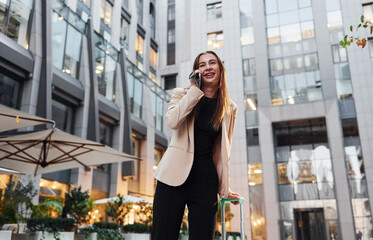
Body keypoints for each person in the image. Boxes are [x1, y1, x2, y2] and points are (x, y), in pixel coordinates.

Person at [152, 51, 241, 240]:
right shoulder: (182, 94)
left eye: (212, 63)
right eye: (202, 65)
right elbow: (172, 122)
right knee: (163, 235)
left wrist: (224, 188)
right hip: (172, 178)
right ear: (197, 71)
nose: (207, 67)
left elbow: (223, 152)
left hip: (205, 181)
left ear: (220, 69)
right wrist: (194, 91)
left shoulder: (229, 108)